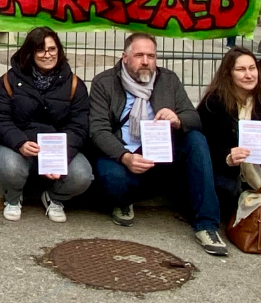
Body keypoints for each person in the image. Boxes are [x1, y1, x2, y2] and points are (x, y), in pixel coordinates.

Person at [89, 33, 228, 256]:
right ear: (125, 57)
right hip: (123, 153)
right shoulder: (104, 82)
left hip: (160, 153)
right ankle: (124, 201)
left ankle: (207, 225)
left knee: (196, 140)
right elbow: (97, 129)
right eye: (139, 55)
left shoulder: (168, 80)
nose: (146, 61)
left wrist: (177, 119)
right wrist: (125, 156)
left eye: (151, 56)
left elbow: (194, 118)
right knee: (112, 180)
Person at [0, 27, 92, 223]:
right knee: (8, 165)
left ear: (59, 51)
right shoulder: (8, 81)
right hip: (18, 148)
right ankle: (13, 198)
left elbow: (79, 126)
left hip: (58, 150)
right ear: (29, 52)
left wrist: (62, 155)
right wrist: (19, 142)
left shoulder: (75, 84)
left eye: (52, 49)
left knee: (82, 175)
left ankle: (55, 198)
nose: (47, 55)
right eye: (41, 50)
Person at [197, 47, 261, 240]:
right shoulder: (214, 102)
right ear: (229, 74)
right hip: (224, 170)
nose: (249, 75)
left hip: (256, 170)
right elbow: (202, 147)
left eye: (252, 68)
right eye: (241, 70)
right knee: (227, 190)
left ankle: (256, 206)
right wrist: (227, 156)